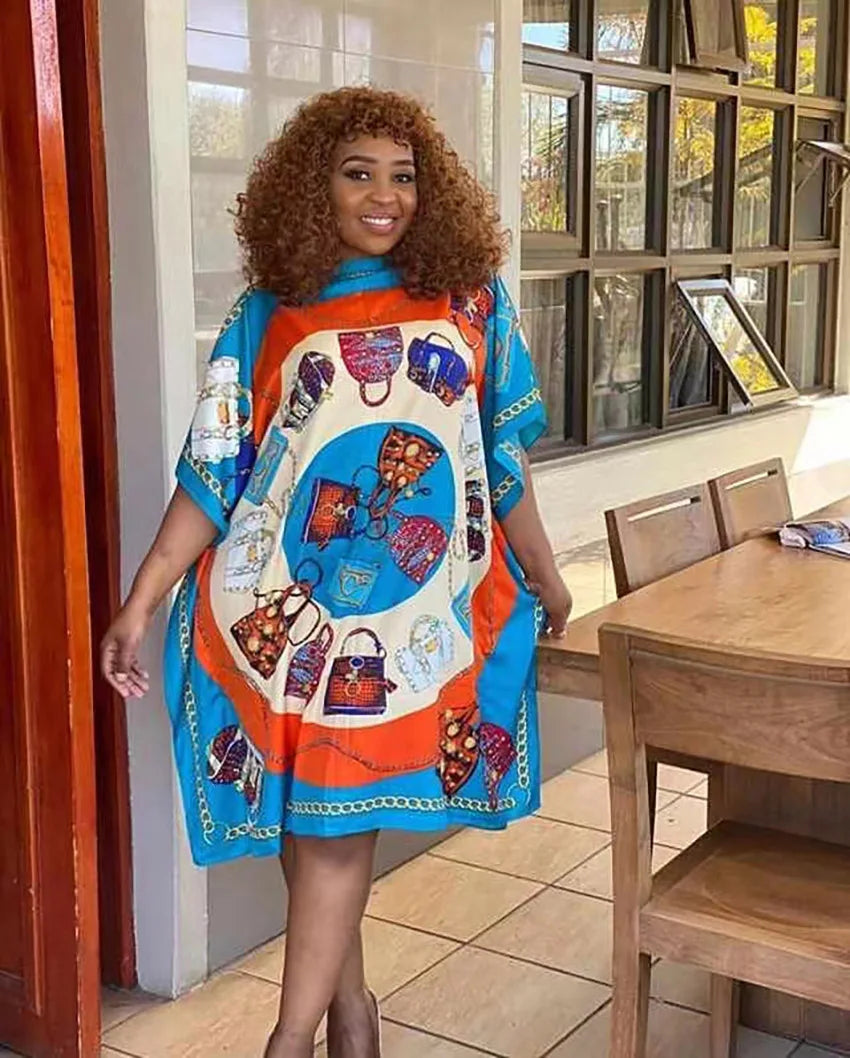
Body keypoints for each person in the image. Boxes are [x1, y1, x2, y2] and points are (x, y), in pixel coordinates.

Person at [101, 86, 572, 1058]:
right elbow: (216, 469)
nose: (384, 196)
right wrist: (142, 596)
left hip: (414, 623)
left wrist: (544, 567)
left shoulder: (471, 301)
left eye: (404, 176)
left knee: (331, 827)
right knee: (318, 824)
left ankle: (296, 1038)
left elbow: (501, 457)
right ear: (314, 188)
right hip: (288, 613)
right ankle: (346, 1018)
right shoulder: (268, 313)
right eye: (359, 173)